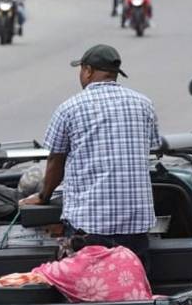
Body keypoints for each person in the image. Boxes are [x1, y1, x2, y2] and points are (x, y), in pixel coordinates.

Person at [20, 45, 161, 274]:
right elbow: (151, 148)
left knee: (91, 294)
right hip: (135, 227)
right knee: (133, 291)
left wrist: (44, 196)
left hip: (90, 227)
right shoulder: (144, 105)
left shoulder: (70, 108)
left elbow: (56, 160)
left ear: (87, 71)